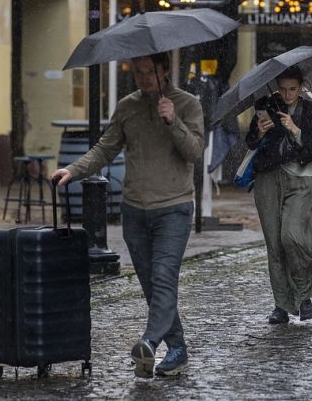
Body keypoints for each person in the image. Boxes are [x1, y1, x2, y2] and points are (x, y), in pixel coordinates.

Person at [51, 52, 204, 377]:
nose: (144, 78)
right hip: (135, 212)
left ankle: (149, 342)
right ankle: (177, 349)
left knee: (163, 278)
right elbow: (105, 148)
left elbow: (194, 152)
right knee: (151, 285)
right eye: (138, 72)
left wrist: (172, 121)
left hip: (173, 208)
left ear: (165, 70)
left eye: (150, 71)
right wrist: (73, 170)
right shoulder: (127, 106)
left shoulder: (187, 104)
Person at [245, 66, 312, 324]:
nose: (288, 95)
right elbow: (250, 142)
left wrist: (295, 130)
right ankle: (282, 304)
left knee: (292, 236)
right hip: (268, 178)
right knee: (275, 244)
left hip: (300, 179)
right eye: (283, 89)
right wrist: (260, 130)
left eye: (293, 89)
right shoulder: (266, 105)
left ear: (302, 86)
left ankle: (304, 295)